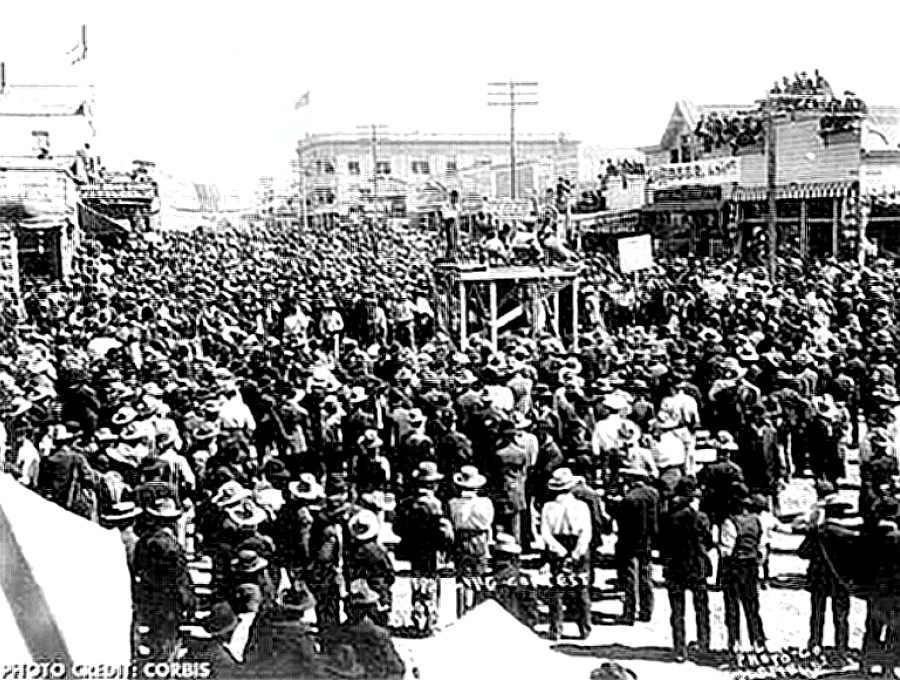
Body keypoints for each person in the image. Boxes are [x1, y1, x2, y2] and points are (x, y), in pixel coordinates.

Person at [133, 497, 196, 661]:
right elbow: (180, 578)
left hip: (149, 597)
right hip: (170, 600)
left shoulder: (144, 541)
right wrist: (189, 602)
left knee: (155, 636)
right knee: (168, 641)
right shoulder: (172, 547)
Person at [541, 467, 592, 641]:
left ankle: (556, 629)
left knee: (557, 590)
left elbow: (545, 533)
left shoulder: (548, 507)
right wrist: (577, 553)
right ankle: (585, 628)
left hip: (557, 546)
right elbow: (587, 533)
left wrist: (560, 551)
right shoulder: (581, 506)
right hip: (578, 545)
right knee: (581, 589)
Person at [718, 487, 767, 655]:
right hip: (751, 565)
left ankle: (735, 642)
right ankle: (757, 641)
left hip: (734, 566)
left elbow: (726, 549)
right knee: (752, 605)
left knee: (732, 607)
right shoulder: (757, 521)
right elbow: (762, 546)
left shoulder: (729, 522)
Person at [611, 467, 659, 626]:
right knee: (646, 576)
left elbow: (622, 523)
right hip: (648, 541)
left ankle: (629, 612)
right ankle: (647, 610)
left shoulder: (628, 499)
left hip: (629, 542)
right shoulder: (653, 494)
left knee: (630, 578)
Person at [346, 509, 395, 627]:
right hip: (377, 589)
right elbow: (389, 572)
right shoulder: (377, 551)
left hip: (358, 590)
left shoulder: (353, 551)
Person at [448, 465, 495, 577]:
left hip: (461, 539)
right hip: (480, 539)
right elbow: (489, 522)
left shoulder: (453, 503)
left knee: (463, 574)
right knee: (480, 572)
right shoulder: (485, 503)